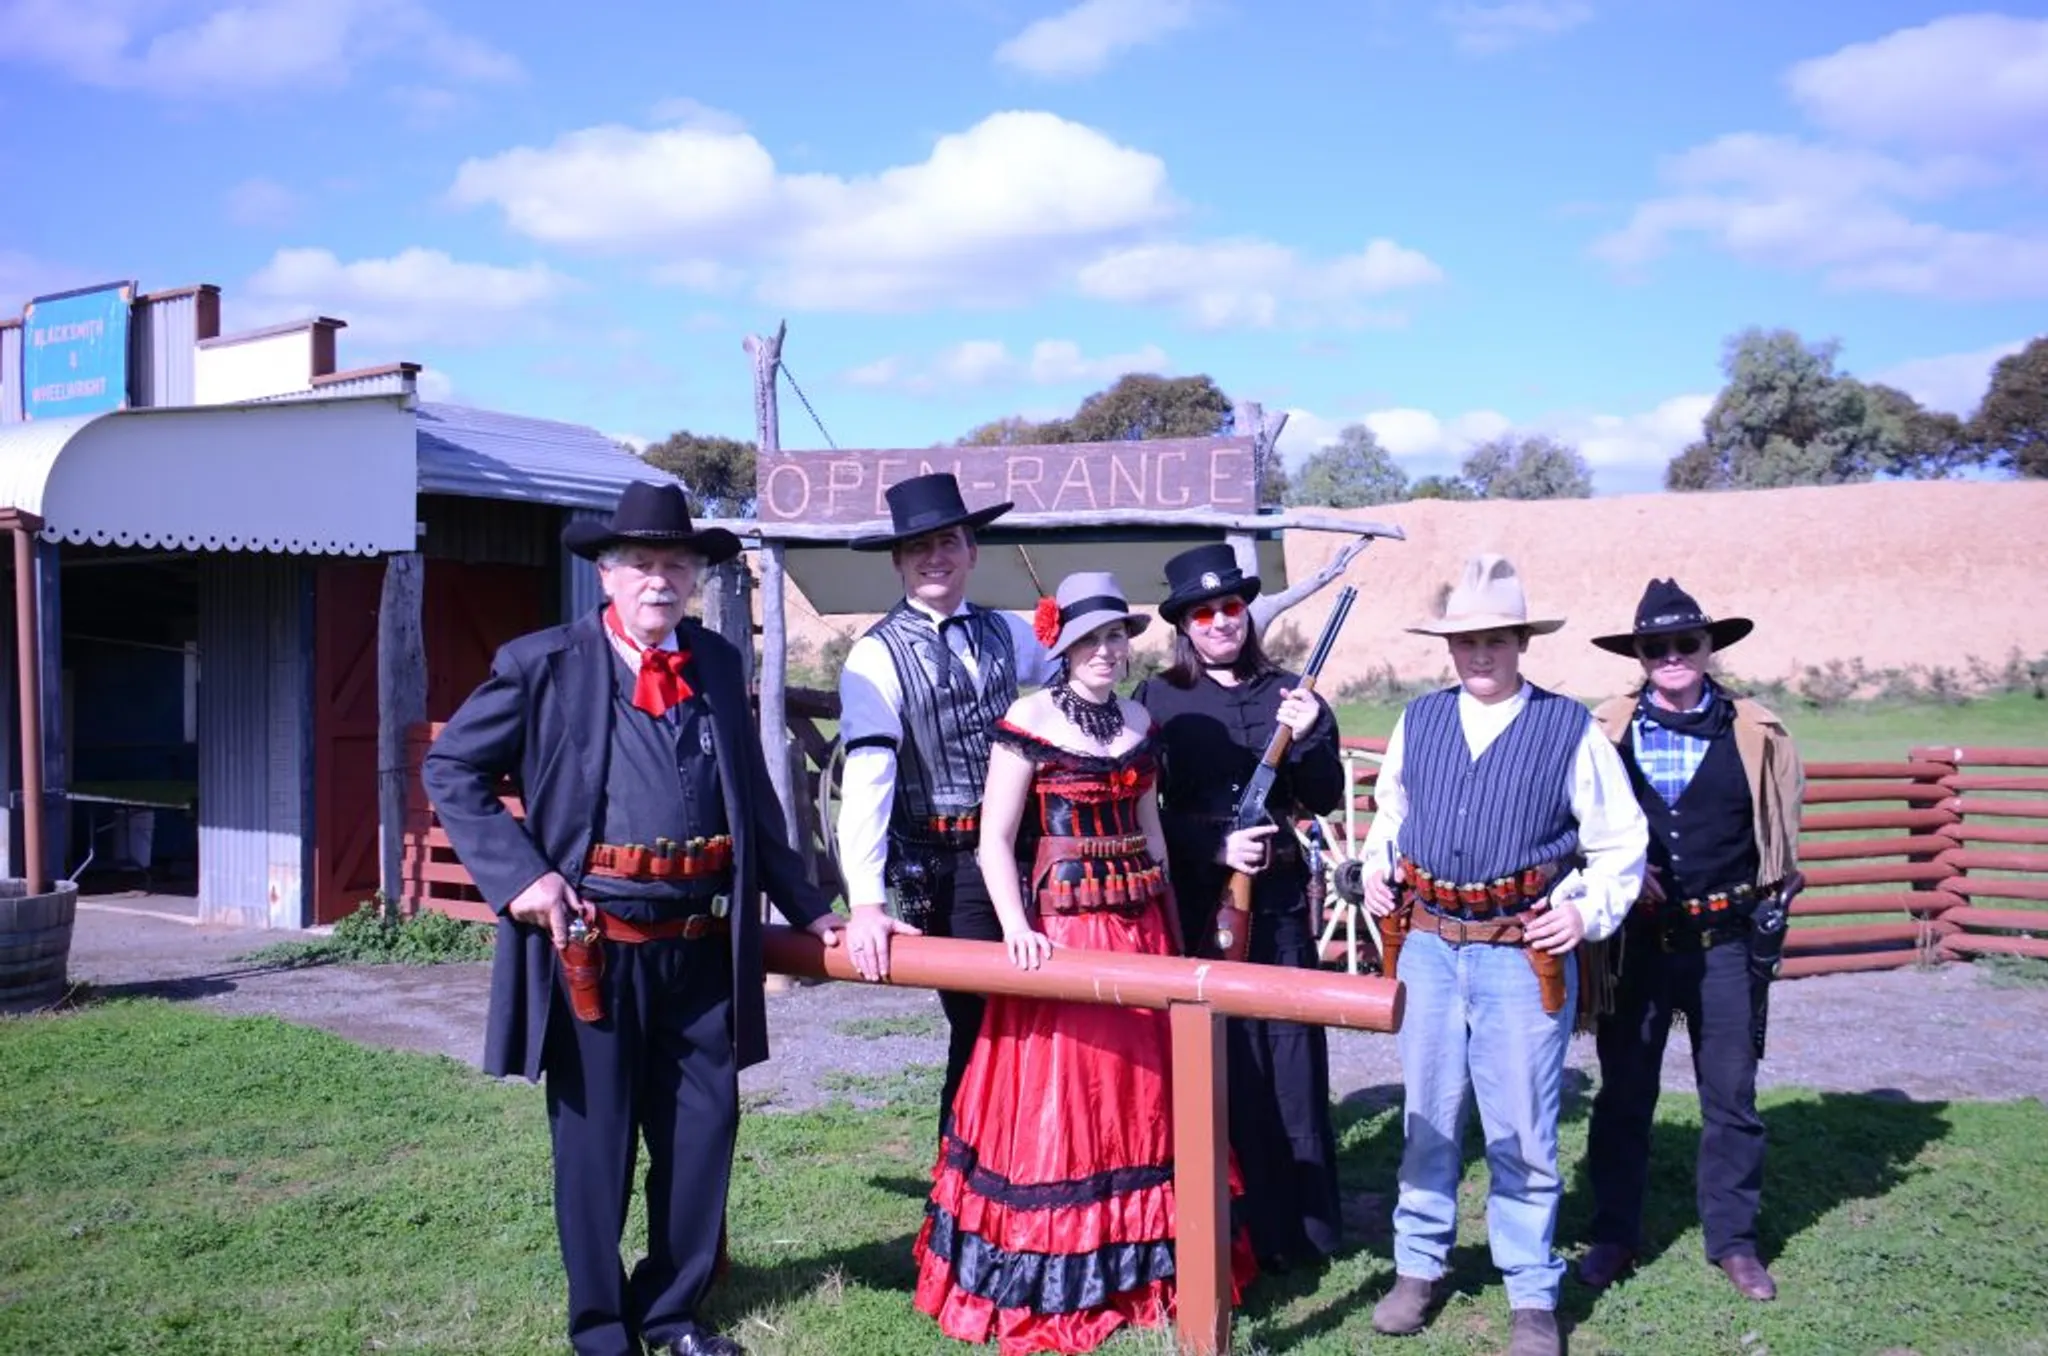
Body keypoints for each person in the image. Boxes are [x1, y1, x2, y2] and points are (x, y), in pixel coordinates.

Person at [422, 481, 849, 1356]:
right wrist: (526, 879)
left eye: (676, 566)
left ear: (694, 580)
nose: (662, 581)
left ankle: (673, 1313)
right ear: (608, 575)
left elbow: (757, 803)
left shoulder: (719, 665)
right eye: (644, 564)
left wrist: (814, 910)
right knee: (597, 1143)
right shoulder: (542, 662)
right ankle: (602, 1328)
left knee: (704, 1132)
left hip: (700, 946)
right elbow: (452, 770)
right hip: (596, 948)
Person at [911, 572, 1255, 1356]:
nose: (1105, 652)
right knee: (1066, 1095)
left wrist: (1169, 907)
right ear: (1061, 645)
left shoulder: (1137, 719)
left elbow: (1148, 824)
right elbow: (994, 840)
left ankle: (1151, 1276)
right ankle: (1061, 1276)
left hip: (1140, 924)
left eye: (1115, 638)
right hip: (1063, 930)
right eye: (1089, 639)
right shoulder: (1026, 722)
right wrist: (1014, 930)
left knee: (1148, 1096)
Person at [1357, 554, 1647, 1356]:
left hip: (1520, 952)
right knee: (1428, 1115)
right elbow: (1391, 816)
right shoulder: (1419, 720)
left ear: (1523, 642)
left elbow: (1620, 842)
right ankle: (1418, 1265)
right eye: (1465, 641)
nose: (1478, 654)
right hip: (1427, 942)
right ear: (1448, 647)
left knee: (1522, 1124)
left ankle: (1530, 1292)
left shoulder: (1568, 729)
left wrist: (1586, 911)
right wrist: (1379, 872)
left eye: (1495, 639)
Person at [1577, 579, 1805, 1303]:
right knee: (1623, 1095)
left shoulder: (1757, 731)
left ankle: (1734, 1242)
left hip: (1726, 941)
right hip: (1635, 946)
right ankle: (1614, 1232)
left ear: (1709, 650)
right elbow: (1573, 820)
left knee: (1732, 1098)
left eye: (1686, 643)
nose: (1672, 656)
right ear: (1639, 656)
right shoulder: (1603, 730)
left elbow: (1781, 832)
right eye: (1657, 647)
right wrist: (1610, 869)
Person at [1132, 543, 1348, 1273]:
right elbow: (1144, 811)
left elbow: (1320, 796)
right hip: (1200, 897)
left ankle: (1306, 1228)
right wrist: (1216, 847)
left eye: (1231, 606)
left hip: (1282, 900)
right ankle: (1232, 1225)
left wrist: (1313, 727)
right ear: (1184, 625)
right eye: (1204, 611)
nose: (1221, 620)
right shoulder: (1157, 698)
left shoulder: (1294, 691)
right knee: (1217, 1056)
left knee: (1291, 1054)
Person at [834, 471, 1058, 1126]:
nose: (937, 556)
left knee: (1038, 1012)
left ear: (972, 551)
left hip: (1027, 849)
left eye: (950, 541)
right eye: (922, 546)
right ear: (900, 560)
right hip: (945, 864)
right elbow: (868, 786)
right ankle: (964, 1185)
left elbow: (1065, 696)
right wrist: (867, 902)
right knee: (984, 1022)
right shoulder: (873, 657)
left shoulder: (1008, 632)